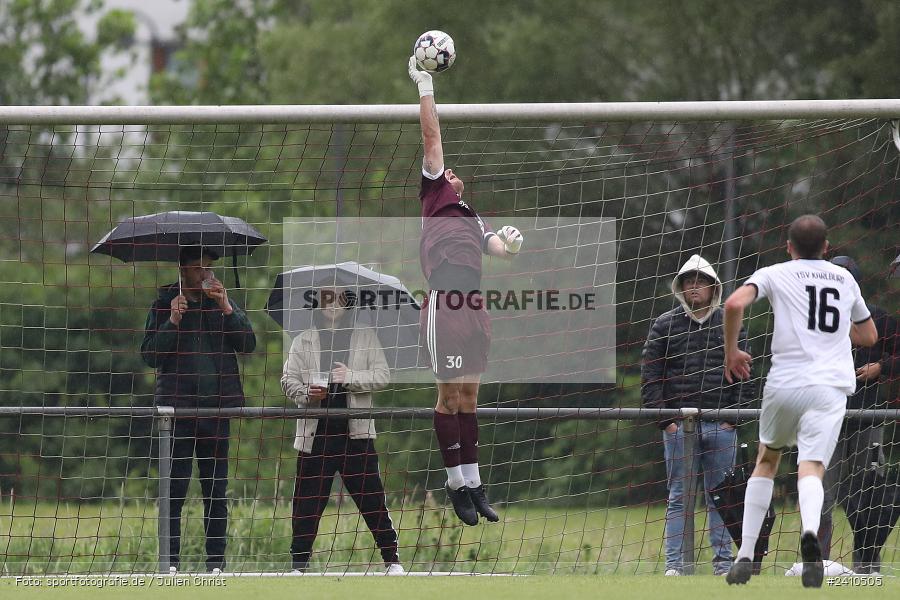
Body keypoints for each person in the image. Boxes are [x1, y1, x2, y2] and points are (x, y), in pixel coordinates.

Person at [722, 215, 877, 588]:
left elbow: (732, 304)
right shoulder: (844, 279)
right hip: (829, 389)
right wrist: (837, 334)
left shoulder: (775, 272)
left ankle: (745, 554)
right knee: (811, 467)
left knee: (767, 459)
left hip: (785, 384)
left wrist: (732, 351)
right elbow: (869, 335)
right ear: (827, 248)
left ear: (788, 247)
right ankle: (810, 536)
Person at [408, 57, 524, 526]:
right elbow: (432, 138)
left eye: (455, 174)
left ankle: (475, 483)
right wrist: (424, 85)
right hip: (444, 302)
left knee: (471, 398)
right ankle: (456, 483)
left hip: (475, 306)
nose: (450, 173)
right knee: (449, 396)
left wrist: (511, 246)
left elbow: (496, 248)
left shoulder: (473, 217)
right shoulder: (436, 195)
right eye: (446, 171)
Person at [140, 245, 257, 572]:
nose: (205, 275)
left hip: (217, 411)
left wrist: (227, 308)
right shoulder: (164, 304)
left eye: (208, 268)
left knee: (216, 492)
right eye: (197, 269)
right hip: (176, 414)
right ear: (182, 270)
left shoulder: (222, 302)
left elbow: (248, 344)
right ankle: (171, 564)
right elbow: (149, 355)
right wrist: (173, 321)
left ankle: (216, 565)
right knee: (174, 491)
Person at [641, 254, 751, 576]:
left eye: (700, 281)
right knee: (679, 497)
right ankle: (675, 566)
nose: (694, 286)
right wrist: (666, 421)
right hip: (680, 429)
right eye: (688, 280)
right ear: (680, 286)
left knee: (723, 498)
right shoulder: (663, 324)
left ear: (713, 287)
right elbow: (650, 376)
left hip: (722, 426)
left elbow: (747, 374)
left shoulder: (730, 324)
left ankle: (723, 565)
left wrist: (734, 418)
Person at [281, 289, 402, 574]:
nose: (332, 303)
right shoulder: (303, 339)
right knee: (306, 504)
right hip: (315, 436)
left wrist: (351, 378)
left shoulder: (365, 336)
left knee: (372, 499)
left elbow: (383, 376)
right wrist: (306, 393)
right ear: (318, 301)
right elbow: (287, 380)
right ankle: (299, 565)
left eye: (338, 297)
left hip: (355, 434)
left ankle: (392, 560)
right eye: (326, 297)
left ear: (348, 302)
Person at [819, 255, 898, 573]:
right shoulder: (815, 320)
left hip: (868, 420)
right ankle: (817, 563)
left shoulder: (878, 318)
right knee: (821, 496)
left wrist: (882, 366)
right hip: (827, 420)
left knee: (869, 496)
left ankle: (867, 567)